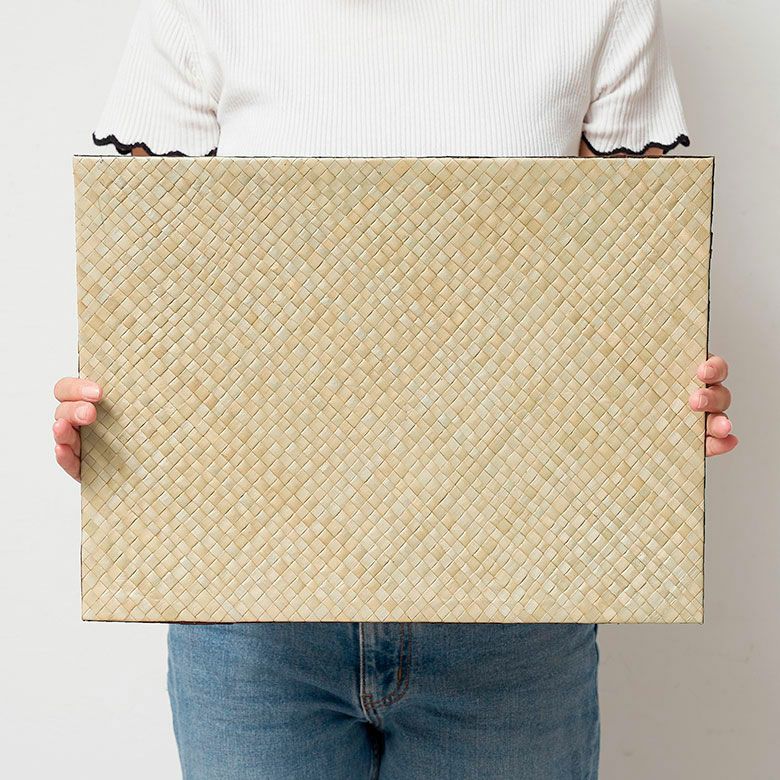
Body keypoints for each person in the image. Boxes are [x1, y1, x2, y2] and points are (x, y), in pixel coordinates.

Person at [53, 1, 738, 778]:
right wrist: (115, 421)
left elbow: (629, 284)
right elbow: (149, 286)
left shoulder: (598, 8)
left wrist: (660, 405)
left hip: (516, 607)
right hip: (250, 614)